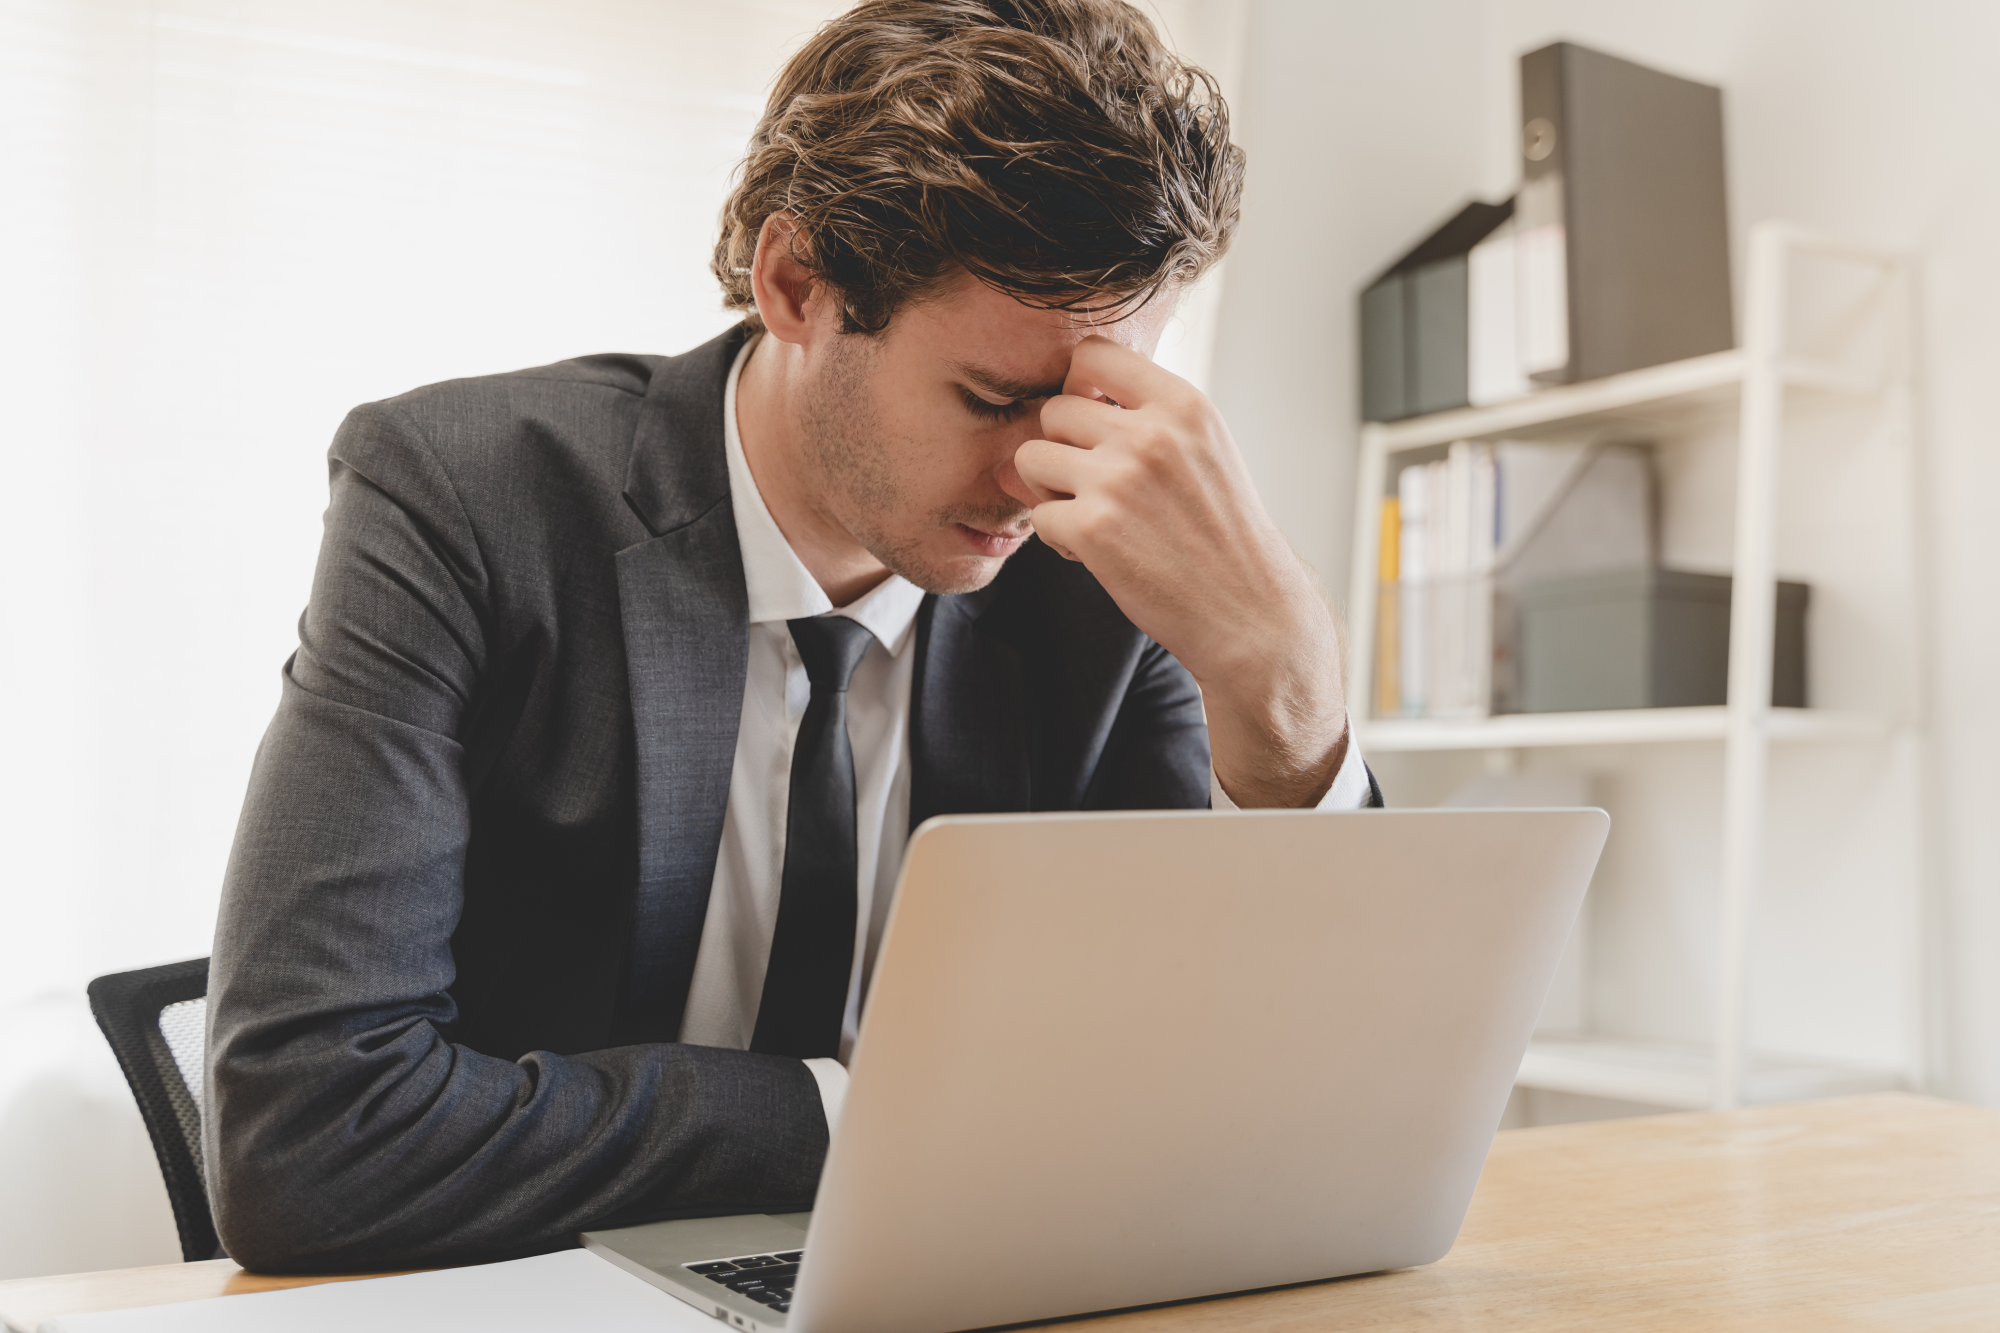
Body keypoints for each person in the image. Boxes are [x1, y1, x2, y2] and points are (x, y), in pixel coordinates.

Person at [204, 0, 1380, 1273]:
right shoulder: (464, 496)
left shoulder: (1110, 562)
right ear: (795, 283)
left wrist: (1287, 681)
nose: (1045, 470)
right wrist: (849, 1115)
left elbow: (1290, 1116)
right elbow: (309, 1135)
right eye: (992, 397)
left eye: (1093, 400)